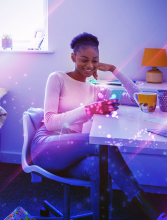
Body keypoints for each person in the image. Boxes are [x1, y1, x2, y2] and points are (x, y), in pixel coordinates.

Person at [30, 32, 167, 220]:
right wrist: (89, 109)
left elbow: (139, 101)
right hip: (47, 146)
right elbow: (51, 121)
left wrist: (114, 69)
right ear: (73, 57)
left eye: (94, 61)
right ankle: (146, 207)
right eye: (83, 60)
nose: (89, 66)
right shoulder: (58, 78)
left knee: (99, 165)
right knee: (101, 145)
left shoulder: (95, 89)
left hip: (73, 154)